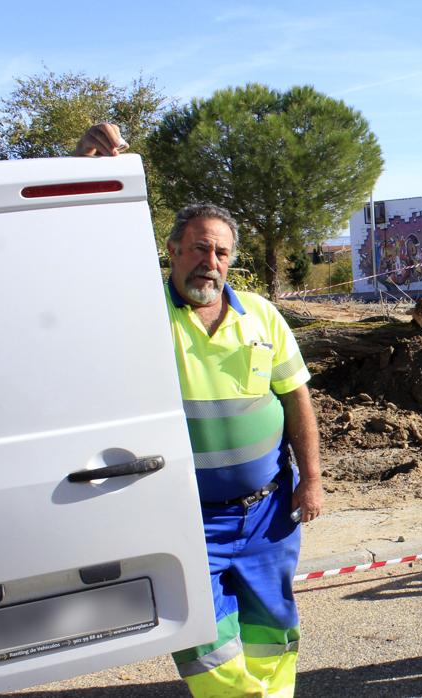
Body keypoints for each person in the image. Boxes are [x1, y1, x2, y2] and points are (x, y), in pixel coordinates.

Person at [76, 124, 324, 698]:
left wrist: (310, 480)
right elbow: (82, 266)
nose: (208, 261)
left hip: (268, 513)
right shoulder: (139, 313)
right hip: (185, 518)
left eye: (220, 251)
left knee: (274, 632)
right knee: (201, 639)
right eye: (197, 248)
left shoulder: (262, 315)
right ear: (171, 251)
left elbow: (297, 400)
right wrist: (86, 174)